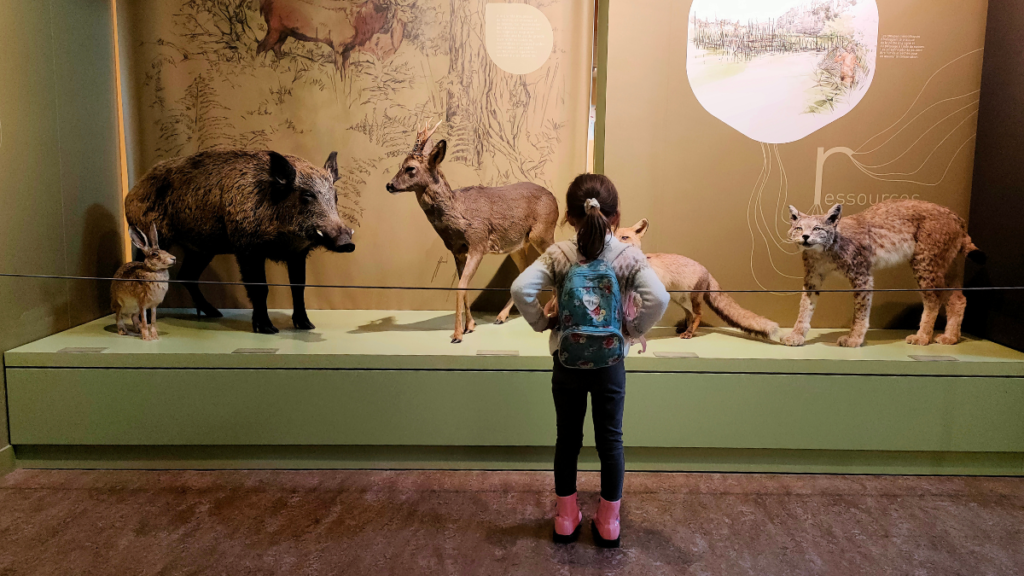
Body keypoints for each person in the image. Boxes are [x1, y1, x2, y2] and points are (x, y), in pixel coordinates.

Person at [511, 174, 670, 548]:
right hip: (610, 363)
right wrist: (631, 330)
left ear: (568, 217)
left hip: (567, 360)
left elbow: (521, 288)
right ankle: (609, 522)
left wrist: (541, 322)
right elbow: (659, 298)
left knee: (567, 438)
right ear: (616, 217)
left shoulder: (560, 255)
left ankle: (566, 518)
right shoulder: (628, 256)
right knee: (610, 440)